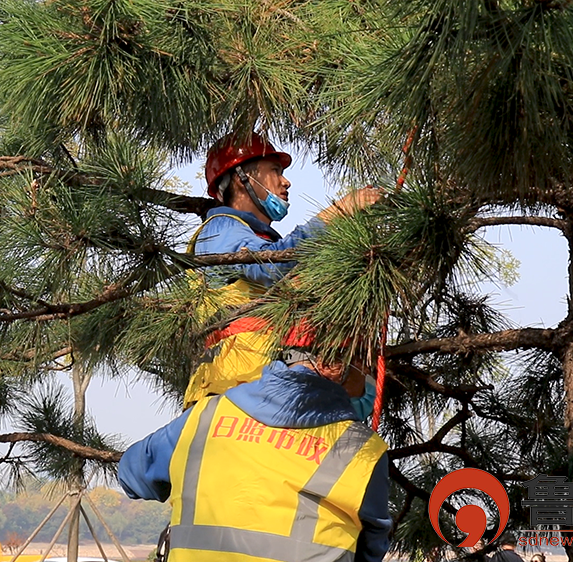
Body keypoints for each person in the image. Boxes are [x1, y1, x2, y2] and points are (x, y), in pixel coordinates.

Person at [118, 348, 391, 562]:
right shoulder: (362, 449)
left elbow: (132, 475)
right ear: (335, 366)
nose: (372, 384)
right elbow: (370, 549)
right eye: (366, 369)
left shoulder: (206, 416)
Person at [184, 131, 381, 411]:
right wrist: (339, 212)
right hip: (234, 389)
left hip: (266, 386)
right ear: (242, 178)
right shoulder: (220, 228)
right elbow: (270, 268)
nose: (285, 181)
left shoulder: (260, 239)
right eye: (275, 171)